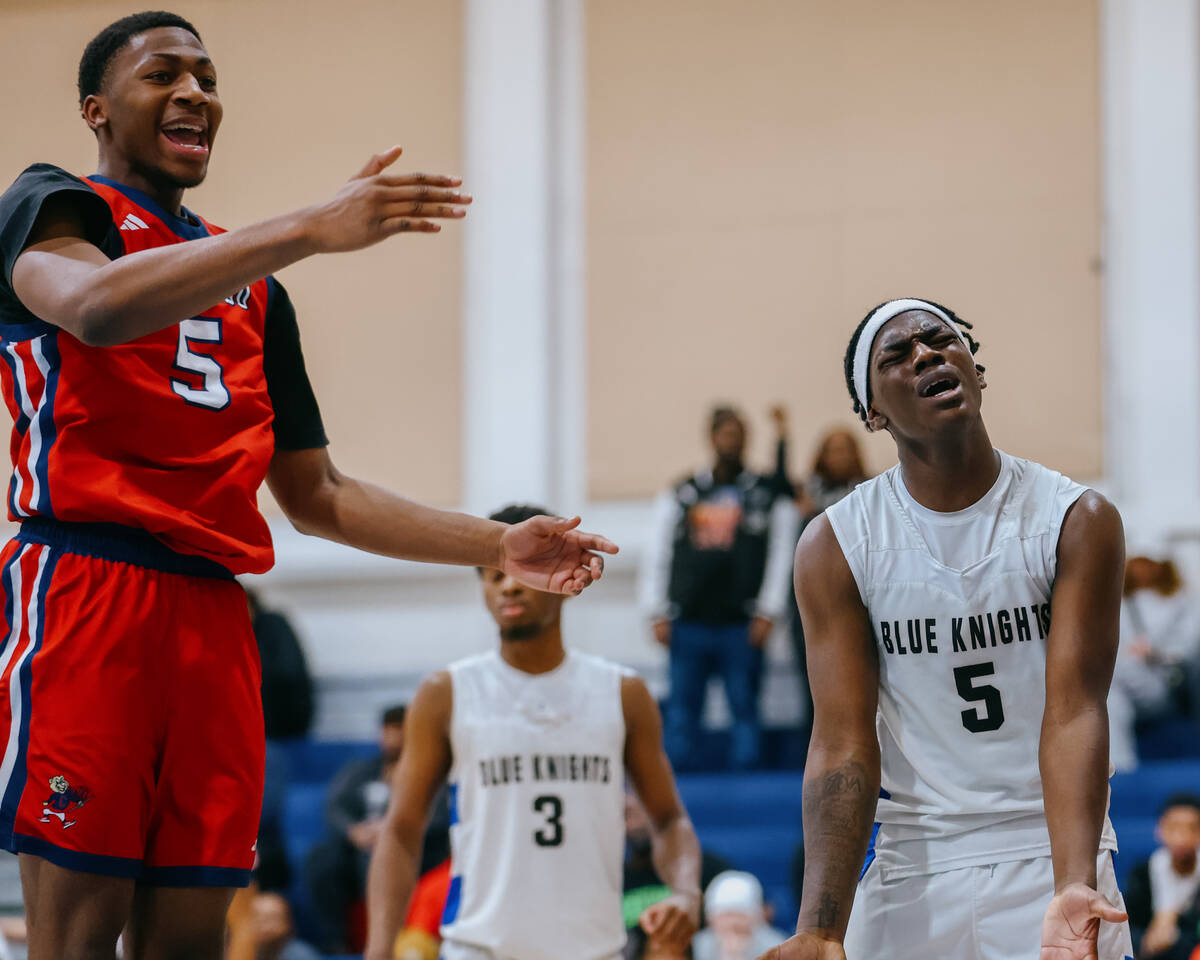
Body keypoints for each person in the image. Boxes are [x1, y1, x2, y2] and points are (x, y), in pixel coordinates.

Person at [0, 13, 617, 959]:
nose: (196, 91)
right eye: (162, 74)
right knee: (76, 937)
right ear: (97, 109)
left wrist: (495, 544)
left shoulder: (259, 287)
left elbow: (319, 494)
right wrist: (308, 227)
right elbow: (93, 308)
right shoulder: (54, 203)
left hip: (215, 618)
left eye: (207, 76)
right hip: (89, 588)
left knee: (196, 940)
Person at [760, 298, 1133, 960]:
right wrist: (820, 927)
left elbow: (1075, 711)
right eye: (897, 356)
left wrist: (1072, 884)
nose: (927, 354)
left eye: (941, 341)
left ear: (975, 370)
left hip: (1047, 849)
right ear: (871, 411)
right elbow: (842, 741)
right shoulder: (837, 544)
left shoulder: (1076, 518)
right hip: (915, 857)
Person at [366, 504, 701, 960]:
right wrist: (379, 949)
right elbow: (401, 830)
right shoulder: (446, 692)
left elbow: (669, 820)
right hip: (479, 949)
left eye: (518, 571)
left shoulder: (622, 692)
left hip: (594, 951)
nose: (506, 584)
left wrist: (686, 893)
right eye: (492, 575)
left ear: (564, 577)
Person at [641, 407, 797, 770]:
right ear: (711, 438)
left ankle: (747, 789)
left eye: (738, 433)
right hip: (688, 620)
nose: (732, 441)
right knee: (681, 710)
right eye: (725, 433)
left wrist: (769, 610)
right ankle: (678, 791)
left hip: (741, 623)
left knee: (745, 706)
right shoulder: (682, 493)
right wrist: (655, 610)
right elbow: (658, 551)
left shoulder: (764, 494)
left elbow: (780, 553)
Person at [306, 705, 449, 951]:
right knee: (321, 859)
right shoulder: (361, 770)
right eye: (389, 730)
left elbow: (440, 817)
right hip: (362, 844)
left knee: (381, 855)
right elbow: (334, 807)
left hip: (416, 849)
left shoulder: (431, 772)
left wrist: (394, 830)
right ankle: (336, 944)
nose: (394, 738)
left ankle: (389, 940)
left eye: (400, 730)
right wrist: (353, 831)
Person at [770, 410, 870, 728]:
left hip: (861, 599)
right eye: (832, 449)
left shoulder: (871, 492)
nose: (839, 455)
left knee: (863, 681)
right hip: (810, 603)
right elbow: (777, 483)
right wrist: (783, 435)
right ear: (822, 456)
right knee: (814, 683)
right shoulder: (805, 494)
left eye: (845, 448)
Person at [1110, 555, 1200, 770]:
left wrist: (1156, 653)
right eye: (1138, 562)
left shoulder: (1182, 601)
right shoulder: (1116, 601)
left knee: (1111, 674)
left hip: (1164, 681)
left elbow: (1187, 648)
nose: (1143, 569)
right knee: (1110, 694)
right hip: (1124, 679)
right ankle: (1120, 770)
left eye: (1148, 562)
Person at [1125, 794, 1200, 958]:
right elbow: (1129, 925)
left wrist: (1175, 934)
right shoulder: (1142, 874)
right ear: (1160, 830)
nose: (1182, 837)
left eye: (1191, 828)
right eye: (1174, 828)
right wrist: (1146, 942)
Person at [693, 871, 787, 960]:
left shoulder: (776, 946)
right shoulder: (697, 946)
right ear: (711, 918)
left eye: (739, 915)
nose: (733, 922)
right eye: (727, 915)